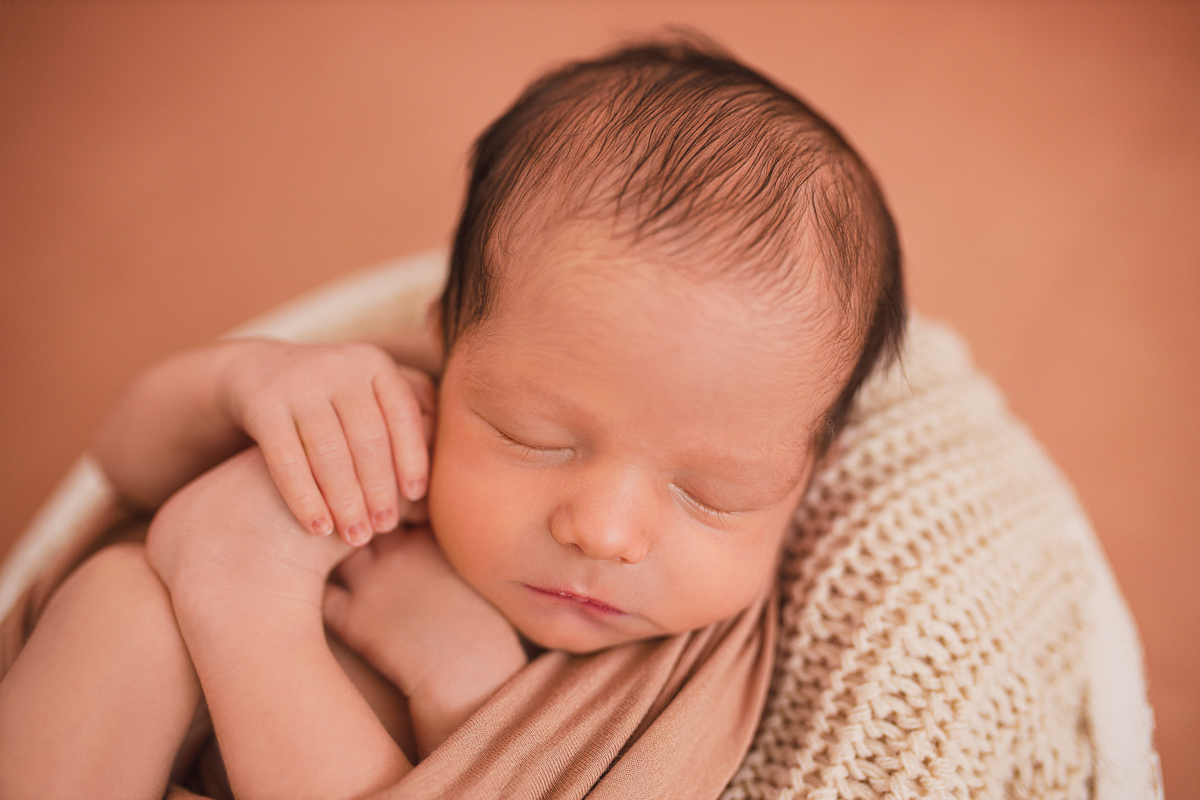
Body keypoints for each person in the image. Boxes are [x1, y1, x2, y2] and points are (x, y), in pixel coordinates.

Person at [0, 37, 905, 800]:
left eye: (715, 494)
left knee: (174, 585)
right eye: (532, 438)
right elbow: (127, 462)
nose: (604, 531)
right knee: (121, 603)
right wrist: (246, 381)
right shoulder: (396, 407)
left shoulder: (693, 669)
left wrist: (455, 688)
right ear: (451, 347)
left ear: (806, 474)